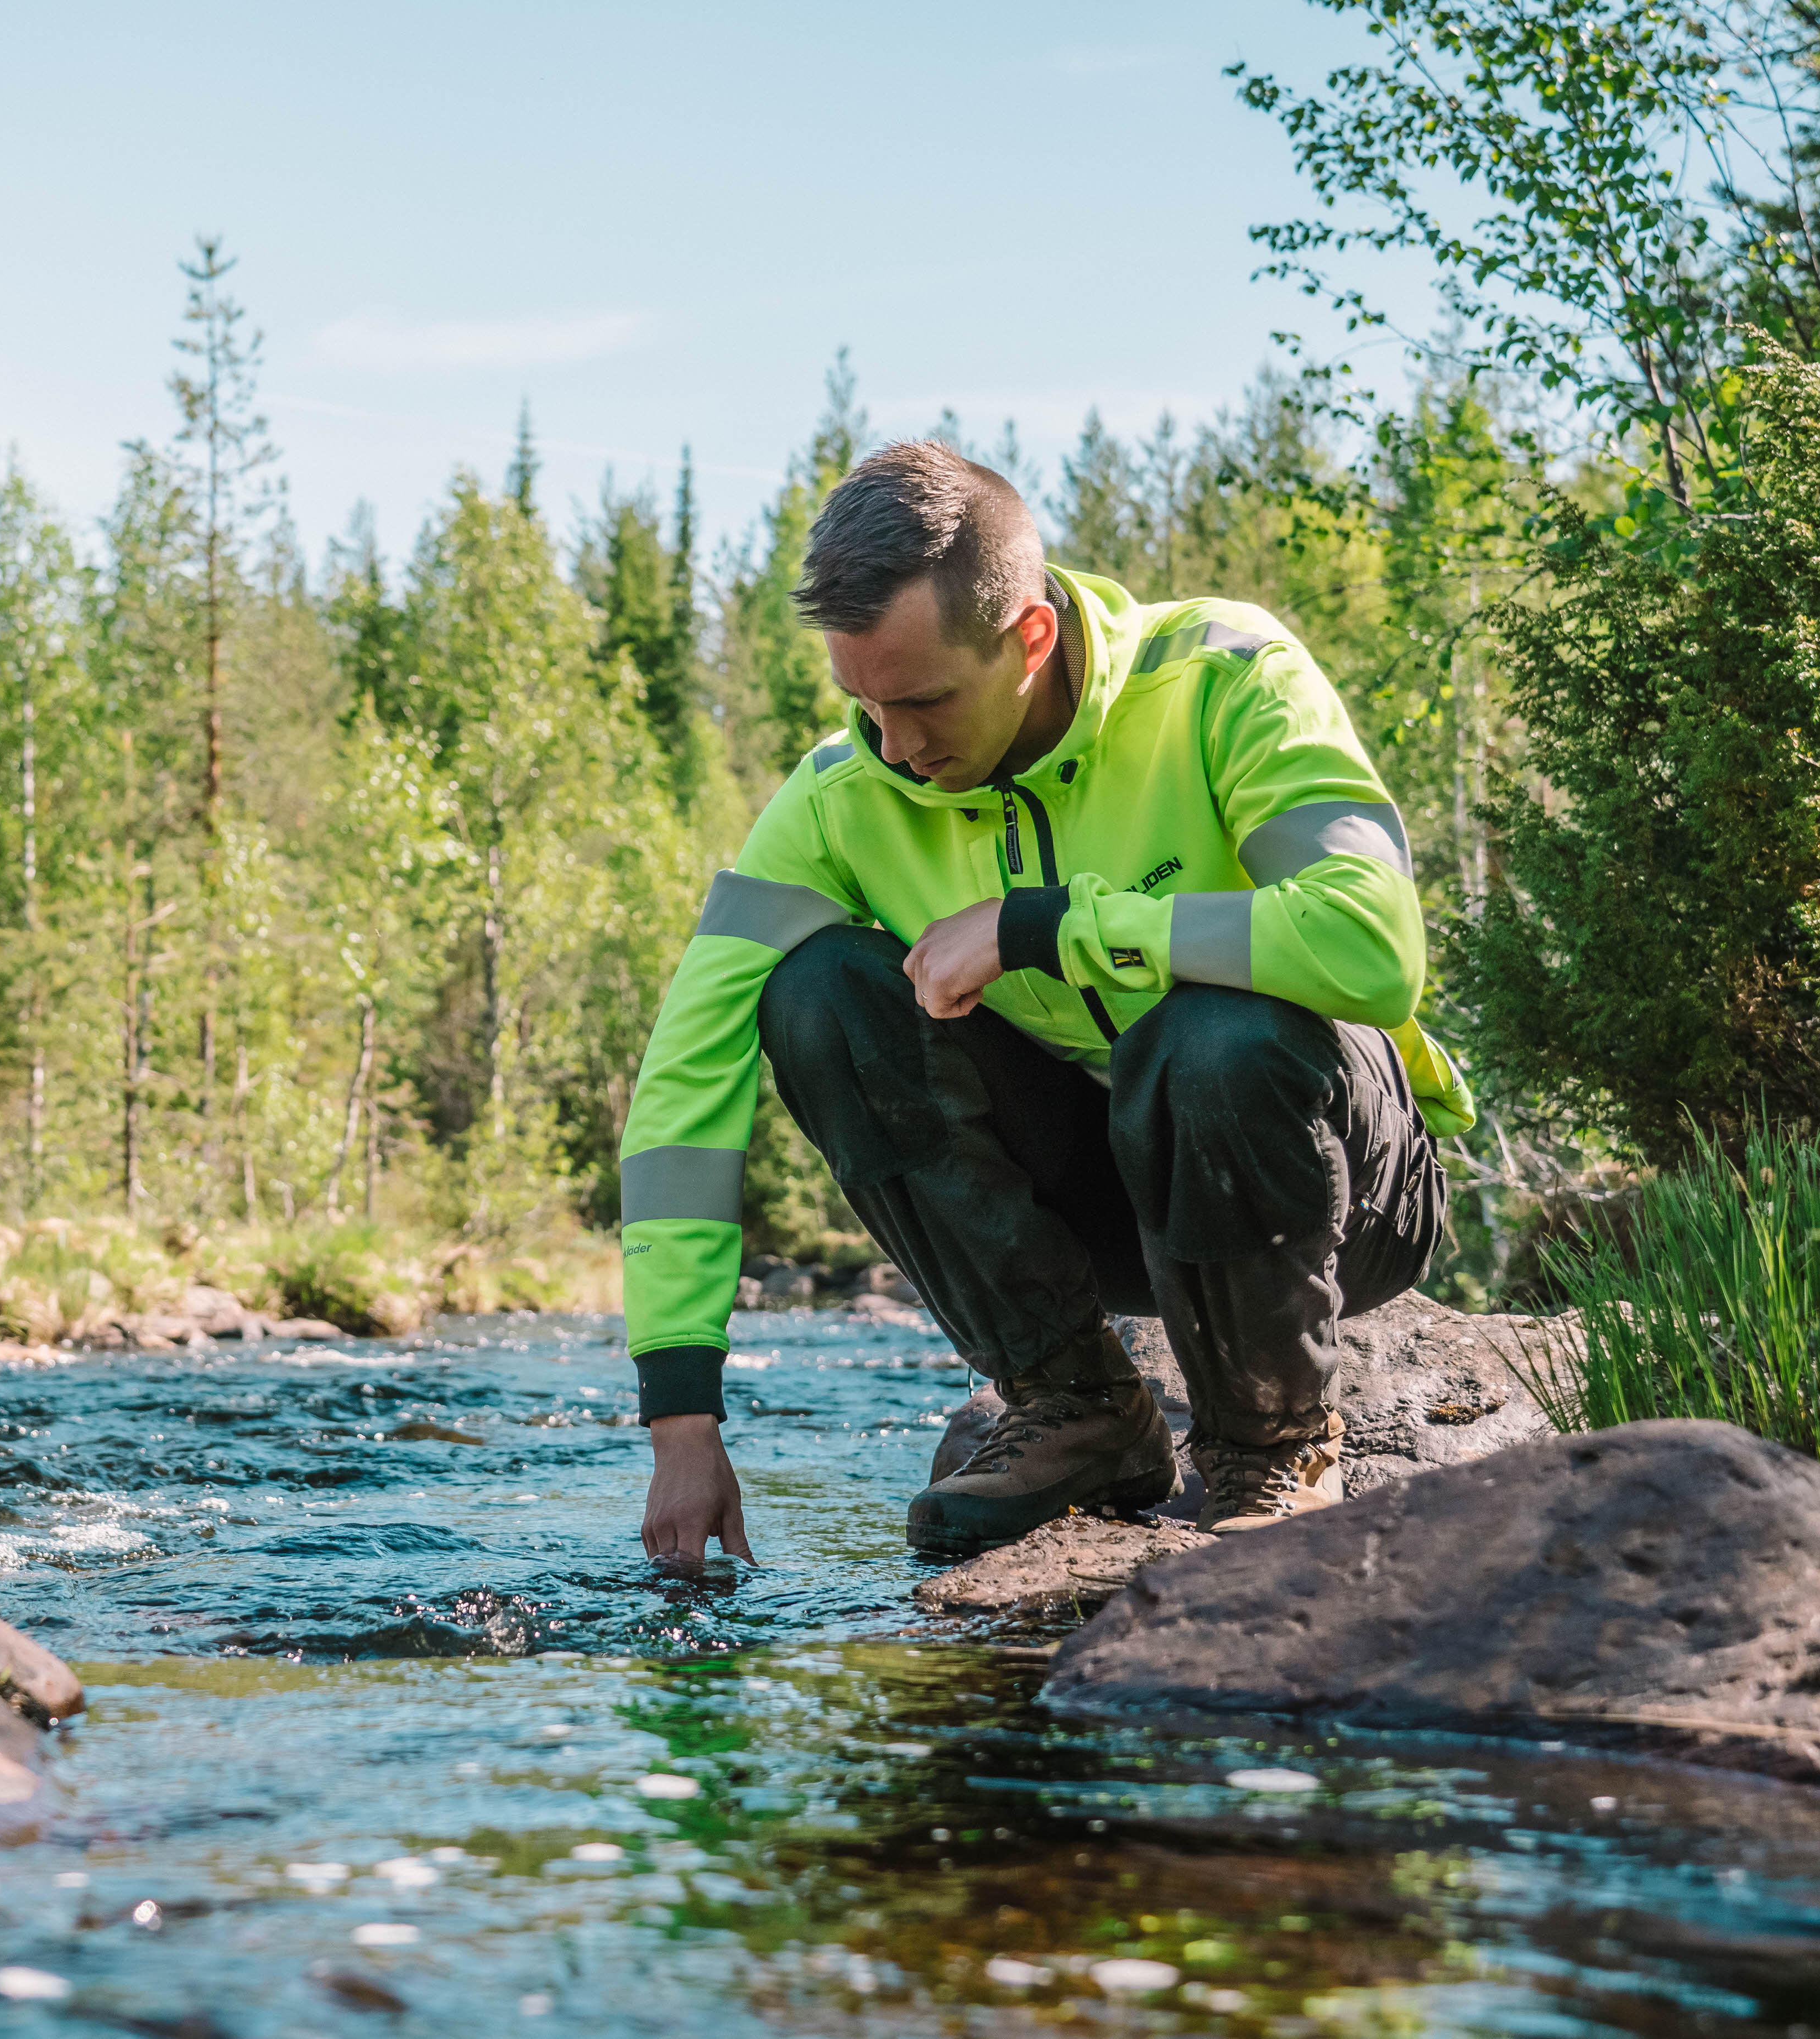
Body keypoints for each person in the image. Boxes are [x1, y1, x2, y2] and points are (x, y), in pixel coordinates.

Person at [620, 440, 1470, 1567]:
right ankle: (1079, 1409)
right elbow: (687, 1082)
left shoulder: (1224, 673)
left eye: (924, 701)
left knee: (1208, 1028)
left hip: (1337, 1188)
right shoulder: (840, 796)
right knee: (815, 992)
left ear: (1030, 637)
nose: (898, 750)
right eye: (863, 705)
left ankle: (1272, 1448)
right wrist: (683, 1425)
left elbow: (1370, 941)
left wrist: (1051, 925)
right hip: (1118, 1203)